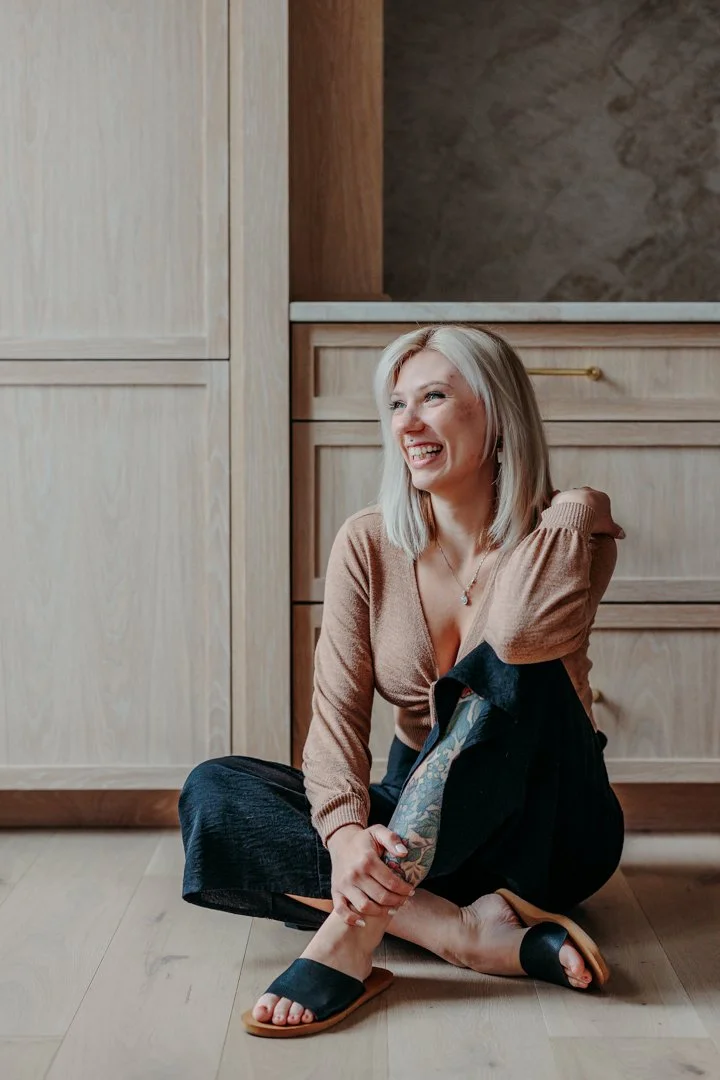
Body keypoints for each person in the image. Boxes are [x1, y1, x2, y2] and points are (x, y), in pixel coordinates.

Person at [178, 324, 626, 1038]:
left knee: (505, 668)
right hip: (425, 835)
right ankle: (457, 933)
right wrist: (346, 834)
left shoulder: (561, 540)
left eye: (434, 398)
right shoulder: (366, 542)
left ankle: (355, 933)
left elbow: (516, 638)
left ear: (499, 412)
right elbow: (334, 717)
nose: (407, 424)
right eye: (395, 405)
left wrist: (574, 505)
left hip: (550, 827)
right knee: (214, 792)